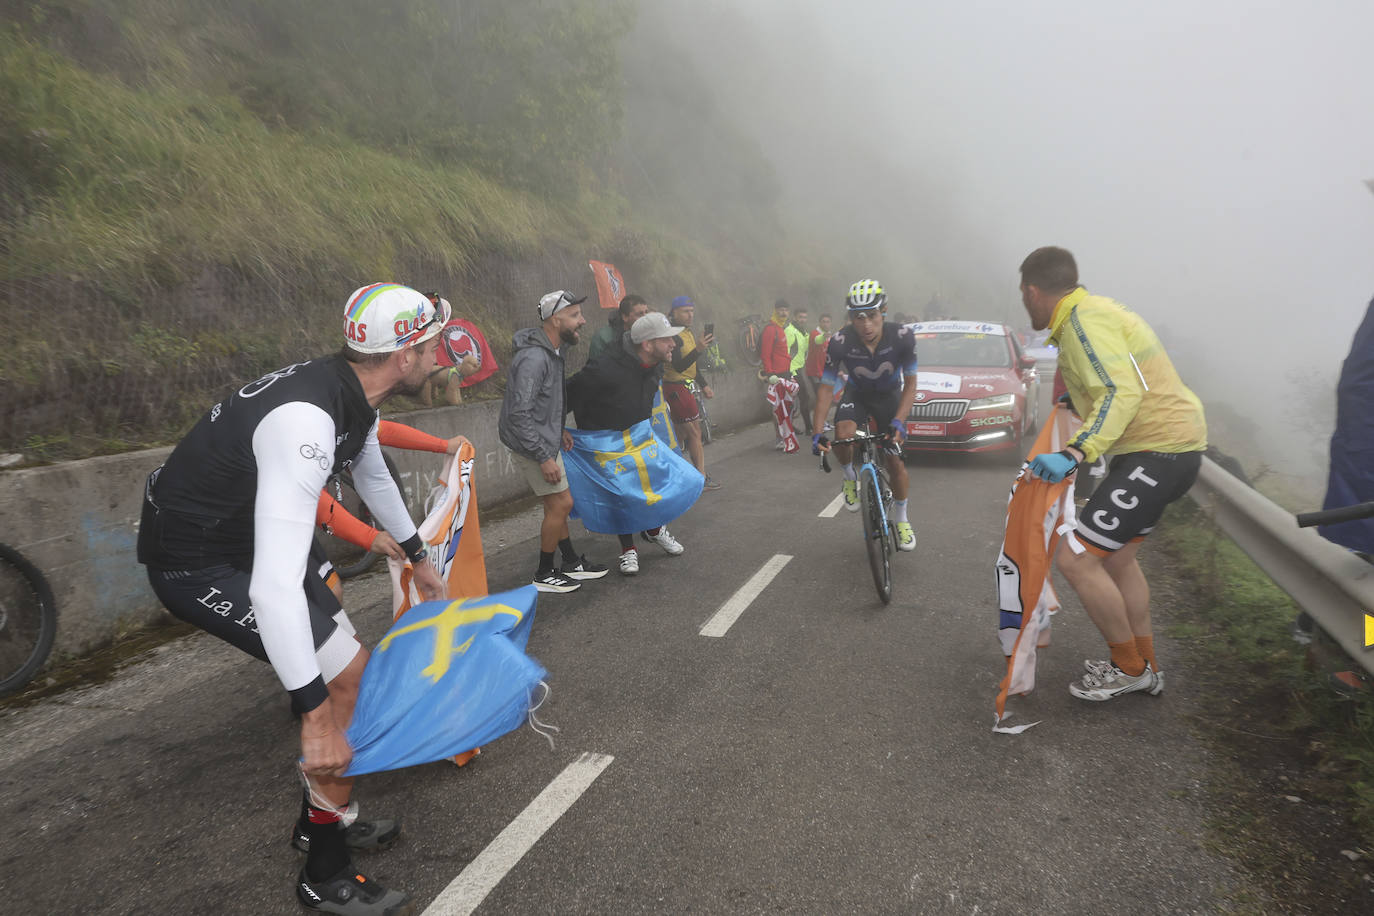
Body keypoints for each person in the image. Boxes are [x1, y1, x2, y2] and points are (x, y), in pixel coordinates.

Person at [137, 283, 453, 914]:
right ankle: (323, 871)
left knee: (348, 674)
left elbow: (372, 475)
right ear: (406, 353)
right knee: (344, 687)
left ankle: (322, 819)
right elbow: (273, 587)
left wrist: (421, 560)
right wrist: (312, 716)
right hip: (198, 564)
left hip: (245, 542)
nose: (445, 351)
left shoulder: (352, 393)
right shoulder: (309, 421)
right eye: (436, 341)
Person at [1017, 246, 1207, 702]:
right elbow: (1108, 385)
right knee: (1118, 560)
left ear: (1033, 291)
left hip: (1158, 450)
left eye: (1024, 296)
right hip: (1168, 450)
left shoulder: (1081, 321)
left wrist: (1077, 451)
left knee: (1077, 558)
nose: (1025, 304)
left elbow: (1121, 393)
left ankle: (1128, 667)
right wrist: (1072, 406)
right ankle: (1146, 665)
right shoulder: (1089, 313)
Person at [498, 290, 609, 593]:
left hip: (541, 438)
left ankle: (571, 561)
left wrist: (558, 430)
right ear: (554, 319)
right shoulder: (535, 358)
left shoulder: (551, 351)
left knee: (556, 503)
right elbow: (520, 414)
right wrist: (543, 456)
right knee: (562, 502)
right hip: (529, 443)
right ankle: (544, 572)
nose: (582, 321)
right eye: (575, 315)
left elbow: (543, 402)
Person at [567, 311, 689, 575]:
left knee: (651, 482)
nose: (674, 344)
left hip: (637, 433)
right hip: (605, 437)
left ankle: (655, 529)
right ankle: (628, 550)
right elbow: (569, 392)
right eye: (667, 339)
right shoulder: (605, 368)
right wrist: (556, 428)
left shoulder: (655, 363)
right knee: (621, 494)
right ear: (647, 344)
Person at [810, 280, 920, 552]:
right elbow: (825, 389)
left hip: (890, 396)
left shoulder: (903, 336)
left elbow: (911, 383)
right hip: (857, 394)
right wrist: (816, 432)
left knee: (894, 461)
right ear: (850, 318)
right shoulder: (839, 341)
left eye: (872, 315)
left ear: (883, 311)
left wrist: (899, 421)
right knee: (843, 436)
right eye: (859, 317)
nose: (866, 324)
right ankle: (849, 477)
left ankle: (903, 520)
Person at [661, 296, 721, 490]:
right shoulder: (673, 334)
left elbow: (691, 366)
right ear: (674, 312)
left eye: (692, 311)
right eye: (685, 311)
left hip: (685, 386)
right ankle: (700, 478)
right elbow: (678, 366)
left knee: (679, 436)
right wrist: (699, 349)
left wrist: (703, 384)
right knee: (695, 432)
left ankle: (670, 474)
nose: (690, 315)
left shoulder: (686, 332)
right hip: (675, 387)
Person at [588, 293, 649, 361]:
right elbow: (594, 368)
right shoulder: (604, 338)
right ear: (625, 317)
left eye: (646, 312)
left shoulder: (648, 336)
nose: (646, 318)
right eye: (639, 314)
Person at [789, 307, 814, 435]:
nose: (802, 320)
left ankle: (804, 427)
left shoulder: (803, 332)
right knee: (801, 398)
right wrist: (789, 373)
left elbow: (810, 344)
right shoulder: (790, 331)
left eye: (804, 317)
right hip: (790, 371)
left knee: (798, 399)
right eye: (800, 317)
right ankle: (808, 427)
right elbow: (784, 351)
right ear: (794, 317)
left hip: (798, 368)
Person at [760, 299, 794, 380]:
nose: (784, 313)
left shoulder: (781, 328)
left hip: (786, 371)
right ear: (775, 311)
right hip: (777, 375)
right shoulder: (771, 329)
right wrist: (770, 373)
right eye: (781, 310)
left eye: (786, 310)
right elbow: (765, 354)